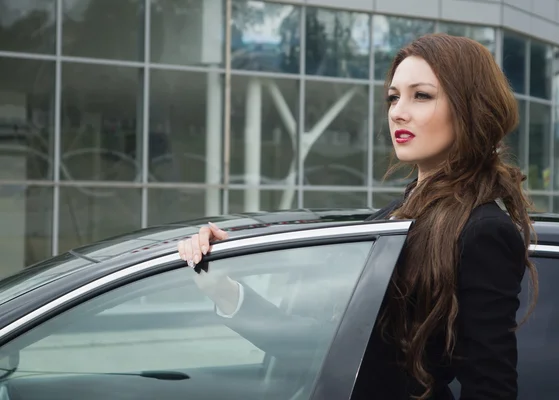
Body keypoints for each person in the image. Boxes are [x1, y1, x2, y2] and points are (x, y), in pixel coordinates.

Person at [178, 33, 539, 399]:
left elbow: (491, 388)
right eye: (394, 97)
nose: (398, 111)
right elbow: (331, 347)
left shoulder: (481, 232)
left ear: (469, 107)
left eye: (422, 95)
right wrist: (224, 291)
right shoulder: (394, 219)